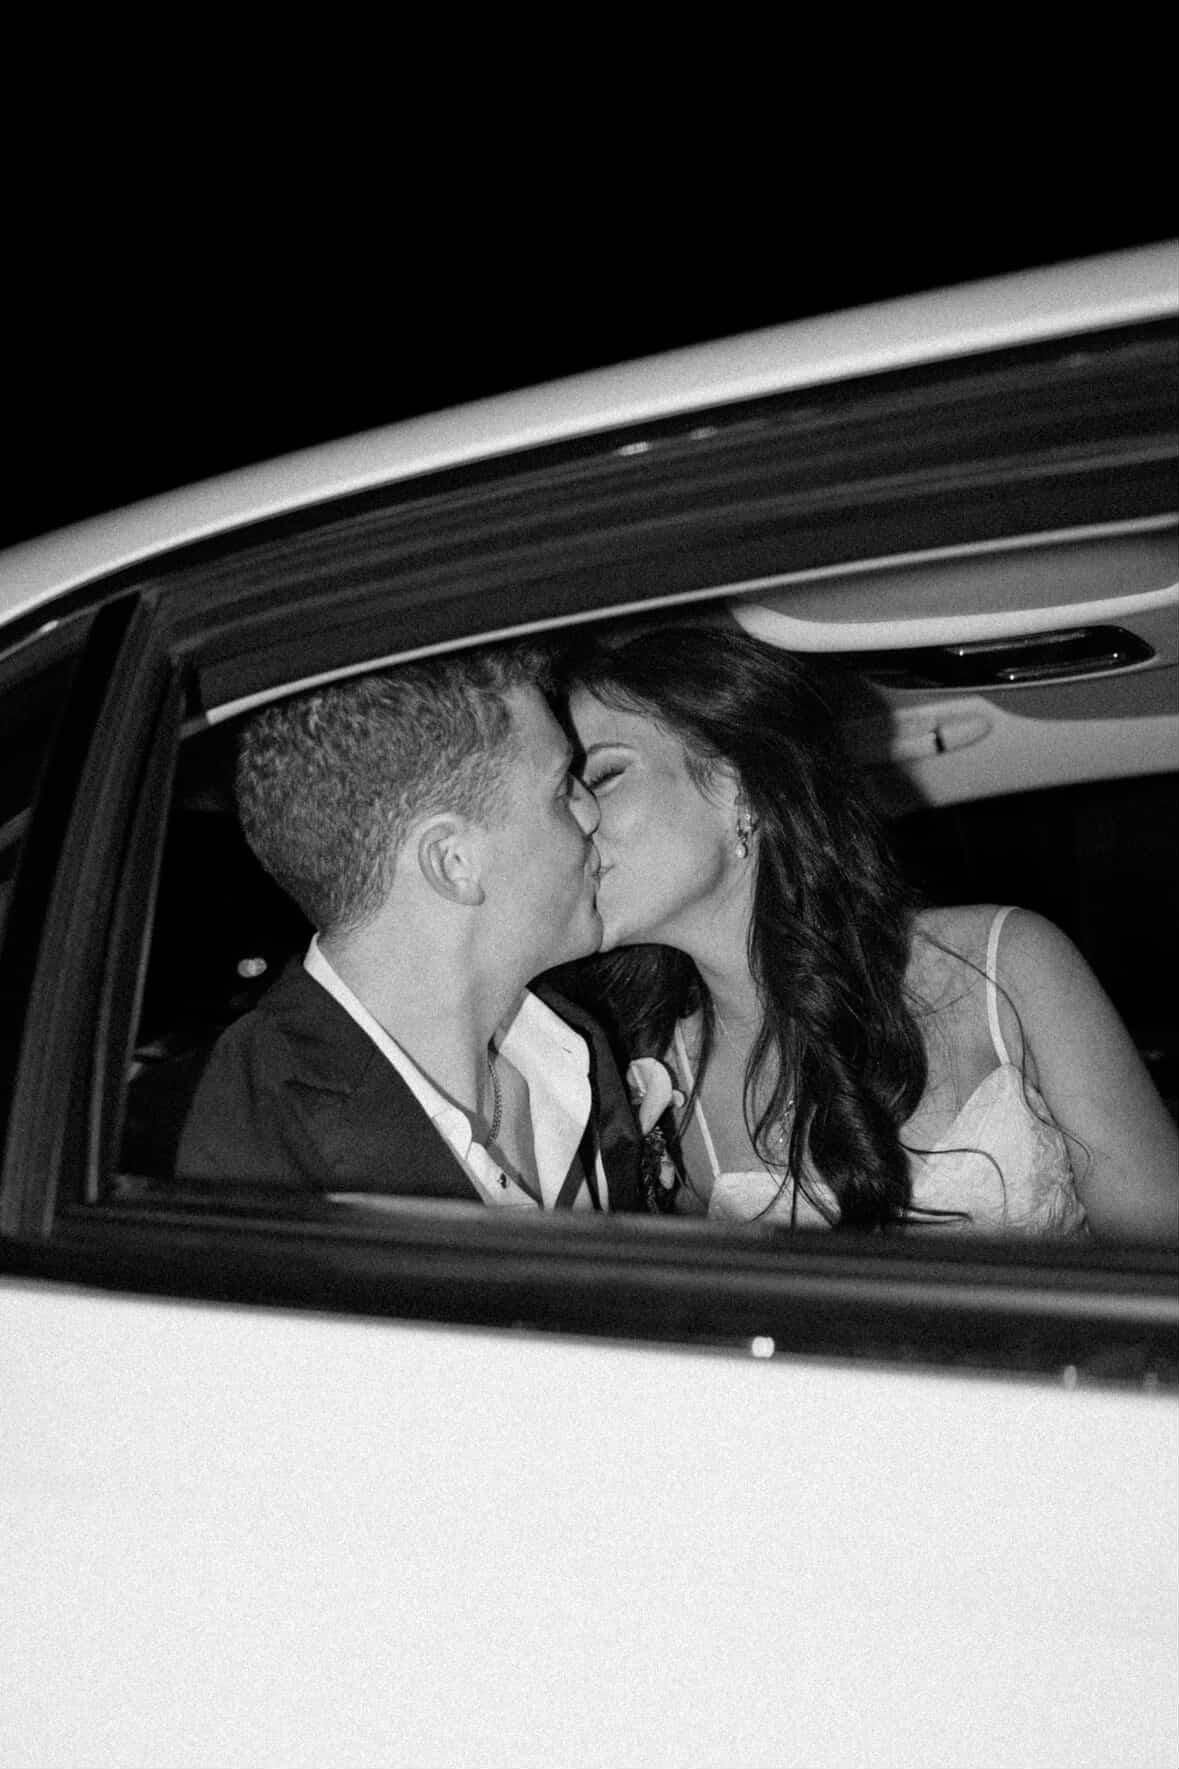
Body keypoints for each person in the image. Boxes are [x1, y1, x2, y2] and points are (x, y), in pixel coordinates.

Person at [559, 616, 1179, 1240]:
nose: (577, 815)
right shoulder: (651, 1074)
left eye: (605, 775)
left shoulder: (1006, 966)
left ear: (737, 784)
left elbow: (1160, 1264)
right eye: (563, 792)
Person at [149, 644, 644, 1211]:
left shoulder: (570, 1048)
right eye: (560, 790)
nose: (589, 811)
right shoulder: (238, 1151)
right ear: (451, 863)